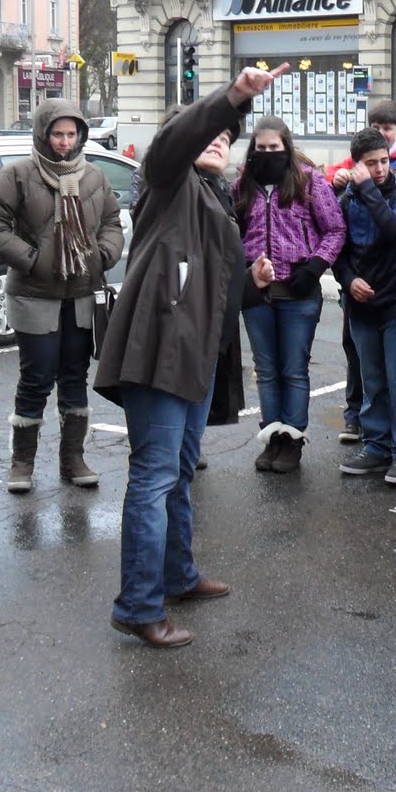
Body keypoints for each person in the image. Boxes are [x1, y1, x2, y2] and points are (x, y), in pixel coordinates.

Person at [97, 64, 286, 649]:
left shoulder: (216, 200)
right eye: (211, 134)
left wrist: (252, 282)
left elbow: (214, 290)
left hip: (196, 357)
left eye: (227, 140)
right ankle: (137, 605)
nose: (220, 142)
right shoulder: (167, 182)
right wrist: (232, 99)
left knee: (178, 473)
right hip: (156, 352)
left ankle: (177, 575)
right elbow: (178, 142)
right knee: (154, 478)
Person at [0, 100, 124, 494]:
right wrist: (31, 259)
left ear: (80, 136)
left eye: (71, 134)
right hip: (33, 294)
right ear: (43, 134)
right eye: (57, 134)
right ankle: (22, 462)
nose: (64, 142)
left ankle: (73, 458)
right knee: (37, 377)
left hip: (80, 294)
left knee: (75, 377)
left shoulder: (93, 176)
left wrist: (104, 254)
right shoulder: (19, 174)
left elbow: (112, 222)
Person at [235, 115, 346, 473]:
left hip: (299, 291)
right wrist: (245, 273)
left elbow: (335, 230)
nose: (268, 153)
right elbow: (233, 234)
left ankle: (293, 440)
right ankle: (272, 437)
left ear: (287, 146)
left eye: (275, 147)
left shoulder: (309, 180)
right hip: (258, 293)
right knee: (265, 370)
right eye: (262, 148)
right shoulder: (242, 185)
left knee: (294, 369)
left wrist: (315, 266)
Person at [325, 100, 396, 445]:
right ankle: (376, 444)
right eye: (372, 164)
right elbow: (338, 251)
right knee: (372, 380)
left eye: (384, 161)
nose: (380, 169)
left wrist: (367, 189)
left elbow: (395, 231)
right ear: (357, 165)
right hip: (362, 306)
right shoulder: (346, 201)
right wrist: (348, 279)